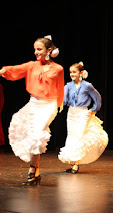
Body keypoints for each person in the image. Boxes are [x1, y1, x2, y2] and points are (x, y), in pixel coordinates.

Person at [0, 35, 64, 185]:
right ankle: (37, 172)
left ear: (49, 50)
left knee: (37, 135)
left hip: (49, 105)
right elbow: (15, 70)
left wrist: (59, 104)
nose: (36, 52)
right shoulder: (31, 66)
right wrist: (3, 71)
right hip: (34, 103)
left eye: (39, 49)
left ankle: (32, 168)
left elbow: (60, 87)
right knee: (34, 136)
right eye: (35, 49)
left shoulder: (58, 69)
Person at [58, 62, 108, 174]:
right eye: (70, 72)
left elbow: (97, 97)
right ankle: (73, 163)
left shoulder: (87, 86)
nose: (72, 74)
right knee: (71, 136)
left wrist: (94, 109)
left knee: (78, 137)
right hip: (71, 113)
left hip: (82, 113)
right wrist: (60, 103)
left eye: (74, 72)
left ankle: (76, 164)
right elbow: (64, 100)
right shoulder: (68, 86)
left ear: (81, 73)